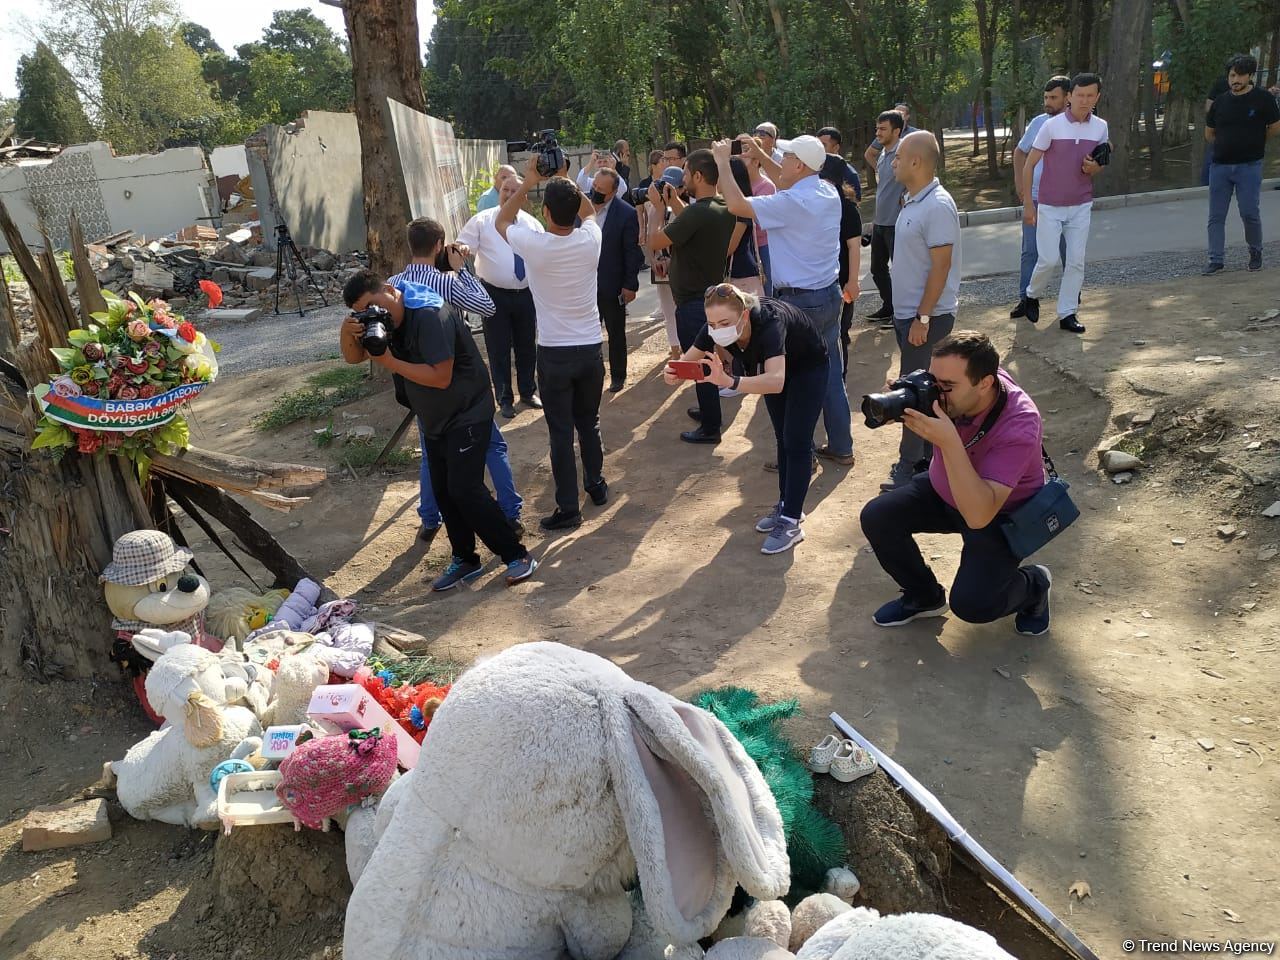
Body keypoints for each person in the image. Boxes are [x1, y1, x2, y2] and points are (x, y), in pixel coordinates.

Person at [340, 270, 536, 589]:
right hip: (434, 417)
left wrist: (388, 361)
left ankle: (516, 555)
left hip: (467, 411)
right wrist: (346, 331)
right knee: (444, 490)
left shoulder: (429, 314)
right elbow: (353, 358)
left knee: (465, 488)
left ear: (389, 290)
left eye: (373, 305)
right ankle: (465, 559)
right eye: (362, 311)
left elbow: (440, 377)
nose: (372, 314)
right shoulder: (381, 320)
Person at [859, 331, 1053, 636]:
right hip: (943, 490)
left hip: (997, 513)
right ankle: (925, 596)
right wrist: (903, 395)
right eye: (934, 382)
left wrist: (949, 442)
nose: (937, 393)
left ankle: (1034, 586)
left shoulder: (1020, 423)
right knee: (878, 516)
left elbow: (979, 515)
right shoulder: (959, 388)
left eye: (947, 387)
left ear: (985, 383)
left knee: (974, 605)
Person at [717, 134, 852, 468]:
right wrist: (761, 152)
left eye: (786, 156)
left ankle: (800, 455)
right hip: (827, 296)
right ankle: (841, 445)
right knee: (830, 374)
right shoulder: (826, 191)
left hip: (798, 305)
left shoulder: (791, 203)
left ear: (799, 164)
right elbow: (786, 178)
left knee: (791, 383)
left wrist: (722, 162)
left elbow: (736, 206)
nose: (781, 161)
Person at [664, 283, 829, 554]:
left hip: (807, 369)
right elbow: (684, 362)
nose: (717, 329)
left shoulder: (770, 322)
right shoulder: (714, 329)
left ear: (743, 315)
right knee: (782, 438)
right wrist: (673, 373)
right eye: (712, 323)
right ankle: (787, 506)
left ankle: (791, 523)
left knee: (797, 442)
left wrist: (730, 381)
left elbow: (775, 381)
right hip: (772, 371)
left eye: (724, 322)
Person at [389, 217, 524, 540]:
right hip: (457, 383)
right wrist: (462, 268)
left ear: (411, 245)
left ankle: (430, 517)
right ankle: (509, 512)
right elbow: (487, 307)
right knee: (492, 445)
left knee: (430, 451)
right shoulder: (447, 282)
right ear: (439, 246)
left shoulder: (394, 284)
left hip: (420, 381)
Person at [496, 158, 608, 531]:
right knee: (588, 423)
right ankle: (596, 485)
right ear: (575, 209)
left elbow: (502, 221)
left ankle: (568, 508)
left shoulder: (536, 245)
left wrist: (528, 181)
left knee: (560, 432)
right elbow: (589, 212)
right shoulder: (591, 239)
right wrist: (565, 179)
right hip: (591, 348)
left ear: (544, 213)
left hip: (555, 354)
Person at [881, 131, 962, 492]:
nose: (893, 162)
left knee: (913, 392)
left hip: (927, 317)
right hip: (910, 315)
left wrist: (923, 318)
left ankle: (910, 463)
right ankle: (930, 463)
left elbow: (941, 267)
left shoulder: (937, 205)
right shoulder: (912, 200)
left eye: (898, 157)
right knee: (924, 389)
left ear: (916, 161)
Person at [646, 149, 737, 444]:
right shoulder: (721, 207)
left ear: (698, 176)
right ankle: (710, 412)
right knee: (707, 360)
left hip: (693, 303)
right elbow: (695, 219)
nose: (683, 178)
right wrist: (674, 202)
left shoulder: (700, 211)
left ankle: (711, 427)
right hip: (707, 297)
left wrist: (659, 209)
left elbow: (655, 240)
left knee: (700, 365)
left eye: (685, 173)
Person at [1021, 72, 1108, 334]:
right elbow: (1029, 165)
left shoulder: (1100, 126)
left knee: (1076, 261)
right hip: (1050, 204)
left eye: (1090, 95)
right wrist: (1028, 203)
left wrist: (1095, 168)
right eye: (1079, 95)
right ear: (1070, 96)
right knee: (1047, 260)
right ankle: (1031, 294)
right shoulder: (1052, 126)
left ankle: (1067, 313)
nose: (1084, 100)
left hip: (1081, 204)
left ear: (1097, 97)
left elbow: (1099, 163)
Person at [457, 175, 542, 420]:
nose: (509, 194)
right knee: (498, 348)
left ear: (523, 196)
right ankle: (504, 398)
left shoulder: (531, 223)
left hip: (526, 295)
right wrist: (462, 249)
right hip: (494, 295)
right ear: (499, 191)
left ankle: (528, 391)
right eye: (506, 189)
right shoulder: (482, 221)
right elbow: (463, 246)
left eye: (516, 190)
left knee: (527, 345)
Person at [1203, 54, 1280, 275]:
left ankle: (1255, 252)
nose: (1234, 79)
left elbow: (1275, 127)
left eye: (1239, 75)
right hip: (1220, 167)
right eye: (1231, 75)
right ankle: (1215, 259)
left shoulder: (1263, 99)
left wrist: (1255, 140)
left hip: (1249, 166)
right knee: (1216, 215)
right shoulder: (1220, 102)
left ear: (1250, 76)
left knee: (1249, 212)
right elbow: (1209, 133)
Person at [1010, 77, 1071, 319]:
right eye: (1046, 98)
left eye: (1053, 98)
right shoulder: (1039, 123)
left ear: (1068, 97)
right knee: (1030, 251)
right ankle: (1026, 299)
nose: (1048, 102)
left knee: (1067, 251)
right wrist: (1019, 184)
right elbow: (1020, 152)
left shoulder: (1078, 125)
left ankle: (1069, 299)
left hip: (1066, 200)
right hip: (1035, 198)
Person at [590, 167, 644, 391]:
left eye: (601, 189)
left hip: (612, 286)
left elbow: (632, 253)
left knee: (615, 333)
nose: (595, 192)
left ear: (612, 193)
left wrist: (630, 285)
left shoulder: (626, 213)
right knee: (589, 335)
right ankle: (593, 376)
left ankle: (618, 376)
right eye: (594, 187)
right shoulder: (581, 208)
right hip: (584, 285)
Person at [818, 154, 862, 379]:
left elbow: (854, 247)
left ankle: (839, 378)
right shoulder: (816, 202)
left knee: (840, 332)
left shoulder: (846, 206)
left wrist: (853, 281)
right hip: (821, 279)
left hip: (842, 279)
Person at [639, 163, 685, 357]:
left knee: (684, 308)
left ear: (681, 188)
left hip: (682, 267)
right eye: (663, 186)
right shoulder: (655, 208)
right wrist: (655, 259)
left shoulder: (685, 208)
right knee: (668, 309)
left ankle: (687, 346)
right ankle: (675, 348)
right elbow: (651, 240)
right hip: (663, 267)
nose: (665, 191)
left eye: (671, 187)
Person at [866, 111, 907, 323]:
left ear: (896, 131)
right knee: (877, 269)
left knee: (900, 272)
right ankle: (889, 307)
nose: (878, 133)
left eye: (883, 129)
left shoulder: (904, 154)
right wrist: (874, 221)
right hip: (880, 223)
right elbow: (884, 188)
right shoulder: (883, 153)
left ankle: (902, 313)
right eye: (877, 128)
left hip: (897, 224)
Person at [743, 148, 777, 296]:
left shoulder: (767, 186)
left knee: (765, 289)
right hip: (745, 245)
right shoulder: (738, 184)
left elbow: (761, 220)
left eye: (743, 158)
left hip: (763, 246)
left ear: (756, 161)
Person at [1202, 60, 1233, 186]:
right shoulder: (1220, 84)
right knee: (1213, 157)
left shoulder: (1250, 85)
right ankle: (1206, 186)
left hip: (1241, 133)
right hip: (1221, 130)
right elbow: (1209, 107)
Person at [862, 103, 917, 172]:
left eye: (901, 114)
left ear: (907, 116)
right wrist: (880, 170)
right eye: (895, 113)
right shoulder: (884, 134)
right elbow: (869, 154)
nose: (897, 116)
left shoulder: (916, 134)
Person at [817, 126, 862, 200]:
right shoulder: (811, 170)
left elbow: (854, 203)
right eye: (816, 145)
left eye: (823, 145)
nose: (818, 149)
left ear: (836, 148)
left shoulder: (849, 174)